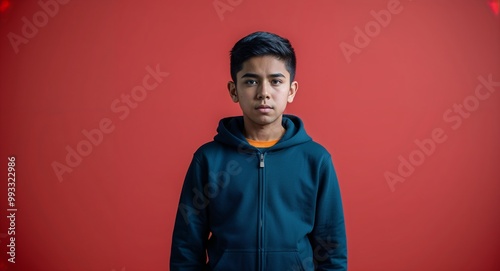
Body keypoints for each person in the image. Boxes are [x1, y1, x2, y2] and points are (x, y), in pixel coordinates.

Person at [170, 31, 347, 270]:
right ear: (234, 90)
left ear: (291, 90)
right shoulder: (208, 160)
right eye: (251, 81)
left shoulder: (316, 160)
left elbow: (331, 250)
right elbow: (186, 247)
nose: (264, 92)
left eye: (275, 81)